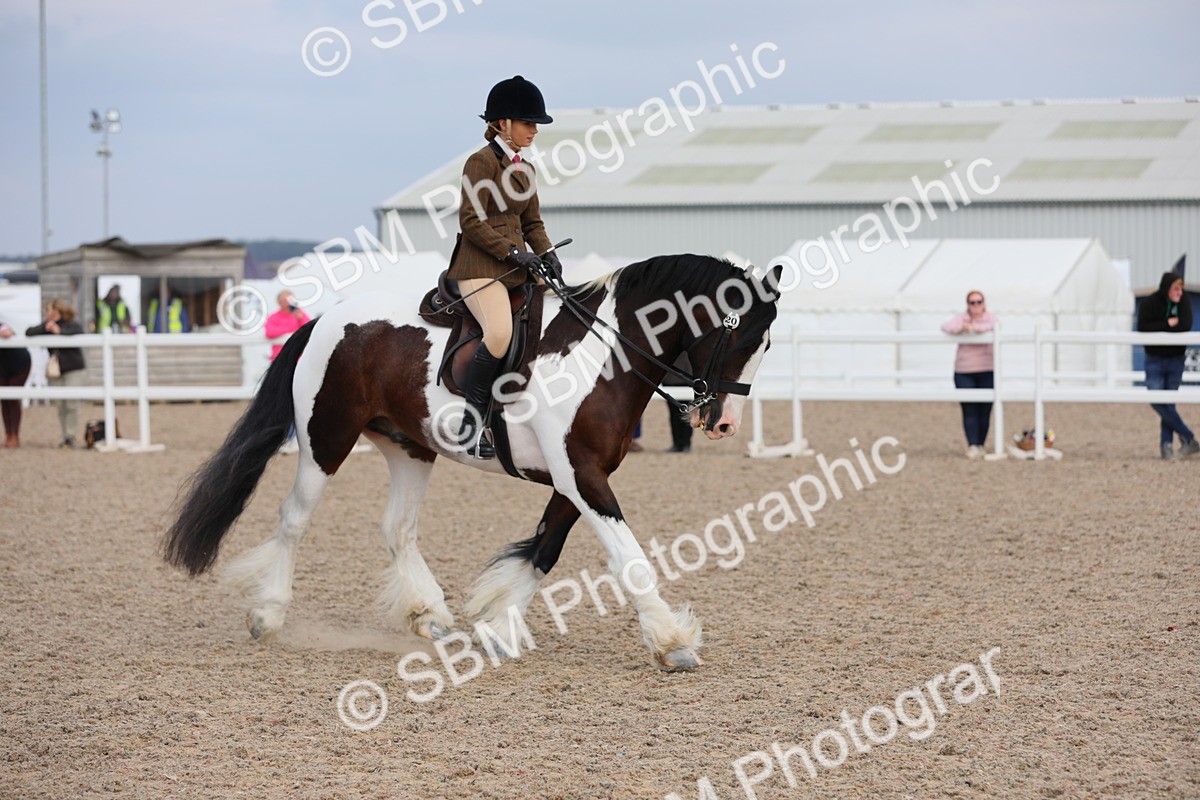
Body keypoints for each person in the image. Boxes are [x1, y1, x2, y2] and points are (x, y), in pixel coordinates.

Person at [446, 75, 559, 459]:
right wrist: (513, 252)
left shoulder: (525, 169)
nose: (534, 131)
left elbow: (532, 223)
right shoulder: (480, 162)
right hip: (478, 268)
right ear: (503, 123)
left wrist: (547, 253)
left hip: (516, 269)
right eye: (528, 123)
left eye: (535, 124)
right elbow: (471, 221)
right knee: (498, 333)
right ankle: (470, 425)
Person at [1137, 272, 1198, 460]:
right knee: (1157, 399)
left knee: (1168, 402)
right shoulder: (1150, 303)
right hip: (1154, 359)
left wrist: (1163, 327)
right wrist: (1167, 324)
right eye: (1176, 288)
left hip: (1175, 359)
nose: (1180, 292)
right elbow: (1143, 327)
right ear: (1166, 288)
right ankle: (1188, 437)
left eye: (1181, 288)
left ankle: (1167, 447)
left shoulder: (1184, 301)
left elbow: (1185, 325)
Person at [941, 291, 999, 460]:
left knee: (985, 409)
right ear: (967, 304)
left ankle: (981, 443)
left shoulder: (991, 318)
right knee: (969, 408)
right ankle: (972, 444)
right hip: (964, 370)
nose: (976, 305)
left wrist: (975, 328)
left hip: (987, 369)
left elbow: (996, 326)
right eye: (972, 302)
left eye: (978, 302)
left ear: (984, 303)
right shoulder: (961, 318)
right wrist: (962, 328)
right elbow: (946, 327)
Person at [26, 299, 86, 448]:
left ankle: (70, 436)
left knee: (71, 403)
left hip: (73, 368)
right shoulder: (47, 326)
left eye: (48, 310)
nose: (46, 313)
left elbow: (78, 332)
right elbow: (29, 332)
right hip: (56, 370)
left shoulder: (71, 323)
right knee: (60, 404)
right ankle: (65, 436)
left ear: (56, 311)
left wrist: (59, 331)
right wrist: (46, 327)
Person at [0, 320, 31, 448]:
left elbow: (7, 333)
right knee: (4, 400)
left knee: (13, 399)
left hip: (19, 364)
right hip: (2, 366)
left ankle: (15, 435)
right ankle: (8, 434)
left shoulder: (2, 325)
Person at [264, 291, 311, 361]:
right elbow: (269, 332)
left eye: (290, 300)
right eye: (284, 300)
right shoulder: (274, 317)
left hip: (300, 357)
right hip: (280, 357)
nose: (288, 303)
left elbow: (310, 329)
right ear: (279, 302)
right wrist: (290, 329)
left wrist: (301, 319)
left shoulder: (300, 314)